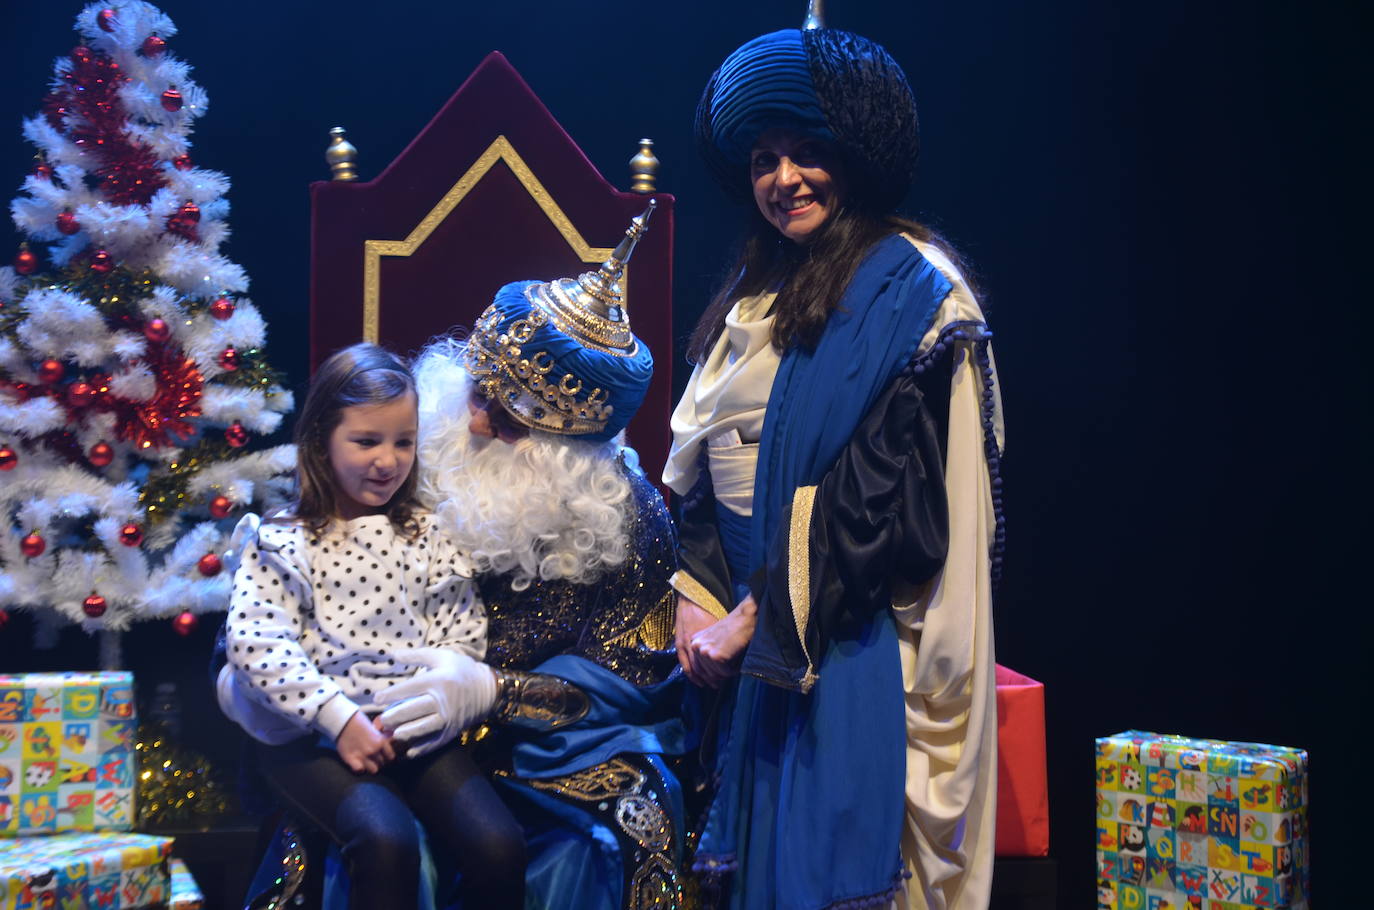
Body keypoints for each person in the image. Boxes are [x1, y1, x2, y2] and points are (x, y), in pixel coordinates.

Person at [223, 206, 693, 909]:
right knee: (348, 833)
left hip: (550, 751)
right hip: (372, 722)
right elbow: (283, 592)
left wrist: (488, 691)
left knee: (638, 819)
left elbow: (632, 676)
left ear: (572, 452)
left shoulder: (635, 518)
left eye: (506, 418)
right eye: (478, 391)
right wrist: (254, 690)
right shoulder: (407, 452)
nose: (472, 420)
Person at [665, 18, 1005, 910]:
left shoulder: (911, 288)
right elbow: (700, 468)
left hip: (840, 636)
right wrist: (695, 597)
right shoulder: (756, 288)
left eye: (806, 151)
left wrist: (757, 616)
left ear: (851, 155)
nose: (784, 179)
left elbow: (880, 495)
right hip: (743, 652)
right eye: (763, 160)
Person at [218, 342, 526, 910]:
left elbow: (461, 630)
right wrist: (339, 720)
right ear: (320, 441)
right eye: (366, 441)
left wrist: (438, 696)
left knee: (499, 844)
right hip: (314, 740)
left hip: (407, 732)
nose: (388, 460)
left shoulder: (426, 534)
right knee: (385, 840)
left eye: (403, 442)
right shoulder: (283, 542)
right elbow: (258, 644)